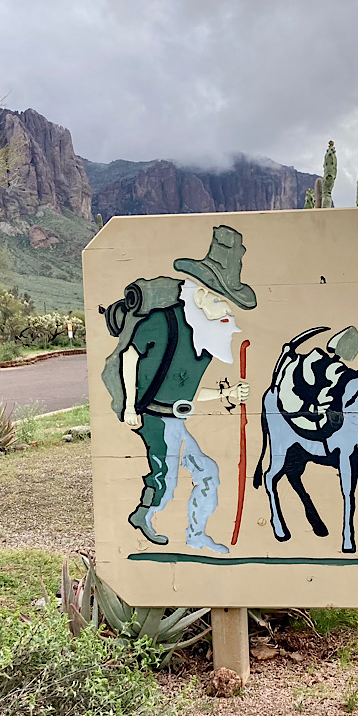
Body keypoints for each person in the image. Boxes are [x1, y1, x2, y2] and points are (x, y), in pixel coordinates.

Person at [108, 225, 255, 553]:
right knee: (166, 476)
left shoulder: (206, 340)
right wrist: (131, 406)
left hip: (176, 418)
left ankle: (196, 534)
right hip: (155, 417)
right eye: (223, 301)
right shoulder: (165, 322)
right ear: (202, 294)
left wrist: (225, 395)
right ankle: (144, 514)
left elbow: (186, 393)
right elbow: (129, 355)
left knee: (207, 472)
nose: (228, 311)